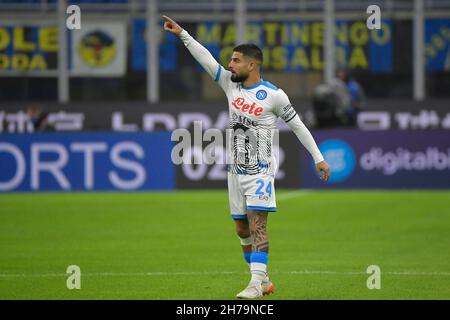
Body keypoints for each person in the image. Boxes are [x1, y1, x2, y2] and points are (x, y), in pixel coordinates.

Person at [163, 15, 330, 299]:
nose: (230, 65)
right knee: (242, 228)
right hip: (234, 169)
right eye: (230, 60)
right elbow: (207, 61)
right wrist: (182, 34)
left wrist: (318, 157)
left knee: (257, 223)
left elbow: (298, 126)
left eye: (236, 60)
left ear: (252, 65)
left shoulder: (274, 96)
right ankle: (263, 279)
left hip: (260, 168)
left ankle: (255, 283)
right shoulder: (231, 84)